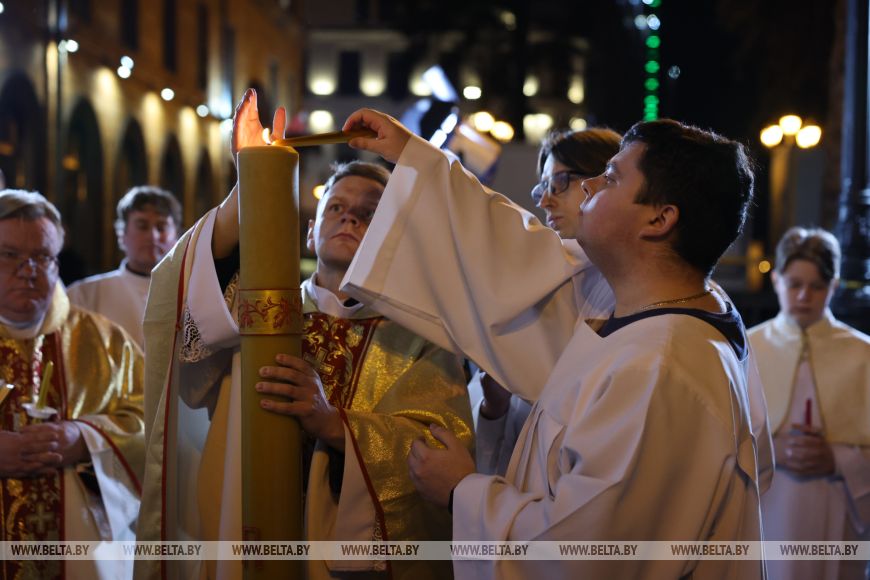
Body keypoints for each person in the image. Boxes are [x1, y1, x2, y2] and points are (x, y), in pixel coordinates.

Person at [339, 110, 770, 578]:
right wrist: (415, 158)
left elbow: (583, 557)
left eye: (611, 178)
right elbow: (518, 257)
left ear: (660, 219)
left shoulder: (659, 368)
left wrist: (461, 490)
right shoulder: (637, 310)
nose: (588, 187)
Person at [136, 89, 473, 580]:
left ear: (395, 236)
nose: (350, 217)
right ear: (310, 232)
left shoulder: (421, 335)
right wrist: (251, 184)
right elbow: (178, 302)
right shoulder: (251, 313)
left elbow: (443, 449)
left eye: (370, 211)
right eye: (336, 207)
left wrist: (333, 424)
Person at [0, 189, 144, 579]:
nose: (28, 269)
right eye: (9, 255)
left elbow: (156, 421)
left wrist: (84, 438)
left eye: (43, 256)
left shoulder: (104, 341)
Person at [473, 127, 621, 476]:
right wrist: (495, 407)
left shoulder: (629, 290)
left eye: (560, 182)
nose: (544, 201)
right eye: (542, 187)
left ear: (606, 181)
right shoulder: (539, 288)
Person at [749, 227, 870, 580]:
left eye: (817, 286)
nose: (804, 295)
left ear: (832, 287)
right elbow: (718, 443)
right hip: (768, 506)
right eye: (794, 283)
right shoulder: (748, 349)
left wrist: (837, 458)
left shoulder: (863, 354)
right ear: (776, 281)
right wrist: (772, 449)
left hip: (839, 504)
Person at [67, 186, 182, 347]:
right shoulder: (83, 296)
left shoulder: (192, 293)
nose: (153, 236)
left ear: (177, 236)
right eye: (142, 226)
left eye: (161, 227)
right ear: (122, 234)